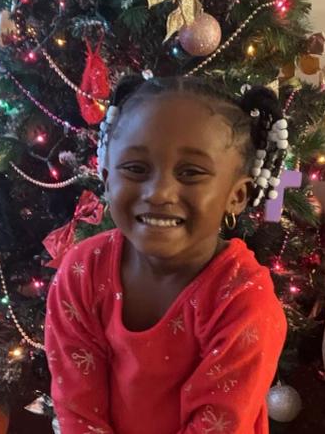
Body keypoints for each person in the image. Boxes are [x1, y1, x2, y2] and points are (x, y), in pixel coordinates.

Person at [45, 74, 289, 434]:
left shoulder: (244, 302)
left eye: (191, 173)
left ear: (237, 196)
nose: (159, 193)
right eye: (135, 169)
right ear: (107, 178)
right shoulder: (82, 270)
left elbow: (218, 425)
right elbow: (77, 407)